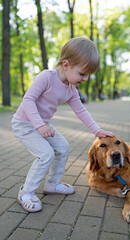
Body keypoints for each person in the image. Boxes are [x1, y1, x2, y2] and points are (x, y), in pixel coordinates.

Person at [11, 37, 115, 213]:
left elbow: (81, 111)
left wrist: (97, 130)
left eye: (88, 75)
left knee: (63, 147)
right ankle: (26, 192)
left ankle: (52, 183)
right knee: (45, 155)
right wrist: (39, 125)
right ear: (66, 65)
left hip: (42, 125)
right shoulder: (46, 77)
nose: (85, 78)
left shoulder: (71, 89)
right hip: (24, 124)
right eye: (82, 74)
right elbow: (28, 100)